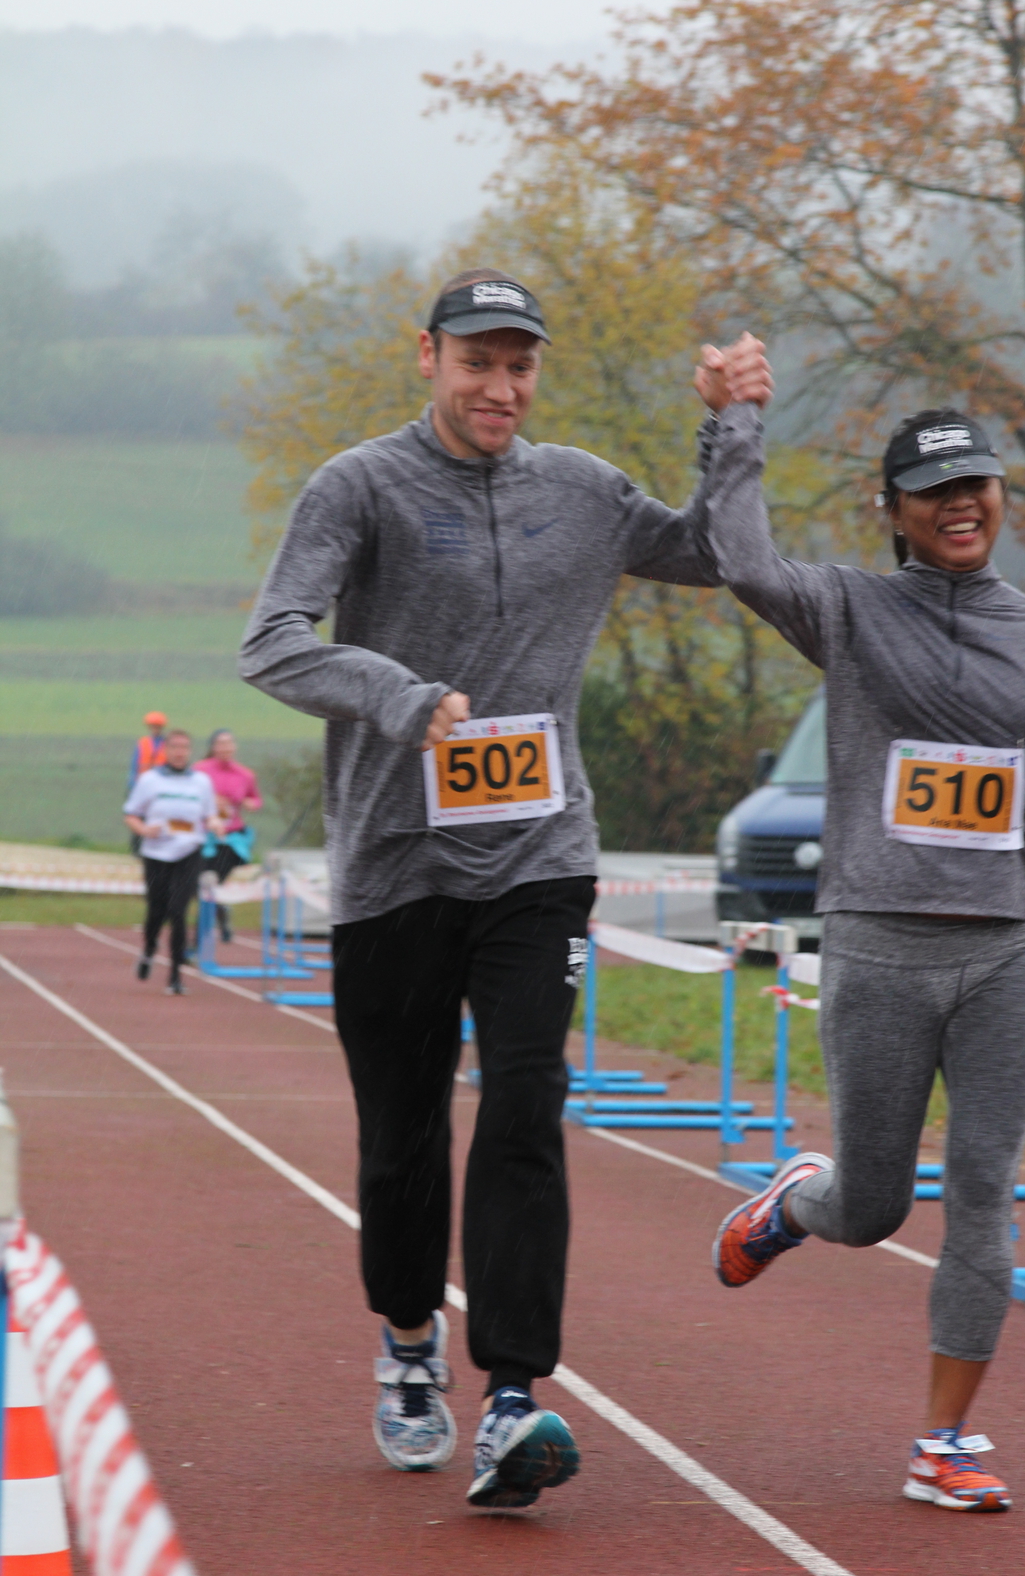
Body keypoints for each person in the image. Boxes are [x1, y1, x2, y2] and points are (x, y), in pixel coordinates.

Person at [239, 267, 729, 1509]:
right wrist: (399, 696)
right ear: (429, 357)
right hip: (395, 868)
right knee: (402, 1133)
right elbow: (273, 642)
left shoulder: (583, 490)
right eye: (478, 363)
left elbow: (712, 552)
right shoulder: (358, 486)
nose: (501, 388)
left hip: (539, 859)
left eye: (520, 366)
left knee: (524, 1102)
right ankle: (411, 1341)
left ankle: (513, 1391)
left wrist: (731, 429)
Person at [702, 338, 1025, 1512]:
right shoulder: (851, 608)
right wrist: (735, 421)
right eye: (935, 490)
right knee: (873, 1206)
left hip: (1010, 948)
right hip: (879, 945)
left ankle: (944, 1440)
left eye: (977, 485)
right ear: (894, 511)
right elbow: (740, 558)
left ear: (1001, 498)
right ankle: (795, 1201)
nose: (962, 504)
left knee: (986, 1193)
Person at [123, 728, 223, 995]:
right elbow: (131, 814)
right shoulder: (150, 780)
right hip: (156, 854)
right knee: (156, 911)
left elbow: (210, 814)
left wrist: (215, 824)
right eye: (175, 747)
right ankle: (149, 948)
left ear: (190, 751)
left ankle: (175, 975)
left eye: (184, 748)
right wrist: (144, 830)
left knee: (179, 912)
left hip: (189, 852)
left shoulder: (201, 782)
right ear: (166, 751)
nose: (180, 752)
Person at [195, 729, 263, 944]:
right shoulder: (200, 770)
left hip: (231, 838)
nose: (225, 748)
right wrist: (210, 800)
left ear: (234, 747)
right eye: (221, 743)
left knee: (211, 883)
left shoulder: (245, 774)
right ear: (213, 747)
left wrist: (250, 804)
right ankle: (221, 911)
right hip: (204, 836)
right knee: (201, 885)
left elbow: (255, 799)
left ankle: (198, 940)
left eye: (229, 743)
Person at [126, 711, 168, 856]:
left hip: (160, 788)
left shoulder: (167, 744)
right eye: (153, 726)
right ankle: (136, 850)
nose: (155, 728)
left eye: (157, 726)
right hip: (141, 787)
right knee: (137, 819)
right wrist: (132, 786)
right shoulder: (143, 743)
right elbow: (134, 766)